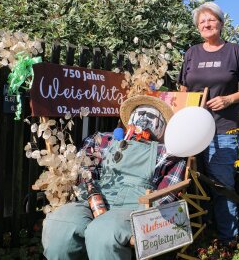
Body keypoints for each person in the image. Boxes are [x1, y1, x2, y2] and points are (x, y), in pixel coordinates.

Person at [42, 95, 186, 260]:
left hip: (136, 207)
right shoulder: (103, 139)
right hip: (95, 198)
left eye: (151, 116)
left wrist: (149, 214)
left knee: (103, 233)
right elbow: (85, 167)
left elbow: (168, 192)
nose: (144, 119)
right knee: (59, 225)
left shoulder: (168, 152)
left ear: (163, 126)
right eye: (140, 113)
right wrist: (89, 189)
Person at [177, 1, 239, 244]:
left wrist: (228, 99)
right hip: (192, 131)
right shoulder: (191, 53)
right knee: (189, 186)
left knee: (222, 186)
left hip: (223, 128)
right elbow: (182, 89)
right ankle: (197, 238)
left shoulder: (234, 51)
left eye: (211, 20)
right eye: (202, 22)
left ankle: (227, 241)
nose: (206, 24)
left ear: (220, 23)